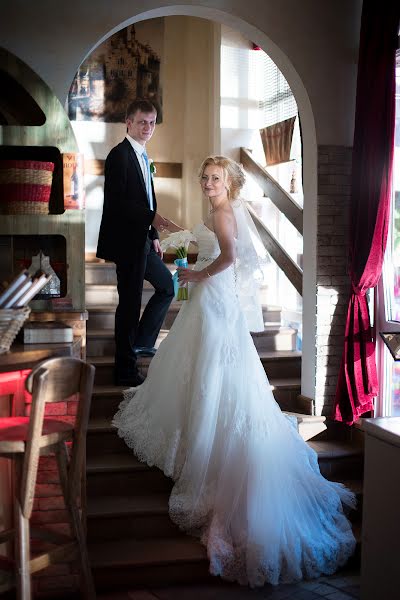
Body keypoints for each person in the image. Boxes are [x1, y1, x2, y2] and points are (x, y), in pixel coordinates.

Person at [112, 156, 356, 586]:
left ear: (229, 183)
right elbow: (210, 248)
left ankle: (208, 447)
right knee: (199, 368)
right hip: (210, 299)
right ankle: (197, 430)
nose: (208, 183)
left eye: (215, 178)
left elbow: (225, 257)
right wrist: (179, 244)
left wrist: (196, 274)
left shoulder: (225, 213)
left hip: (214, 298)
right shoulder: (217, 211)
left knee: (211, 371)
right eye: (204, 177)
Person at [96, 99, 174, 387]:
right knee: (129, 305)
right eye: (142, 122)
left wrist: (153, 236)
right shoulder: (119, 156)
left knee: (168, 286)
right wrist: (153, 218)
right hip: (126, 243)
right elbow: (118, 204)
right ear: (128, 122)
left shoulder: (143, 156)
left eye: (152, 122)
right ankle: (125, 370)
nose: (148, 128)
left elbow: (145, 198)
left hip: (143, 239)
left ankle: (141, 342)